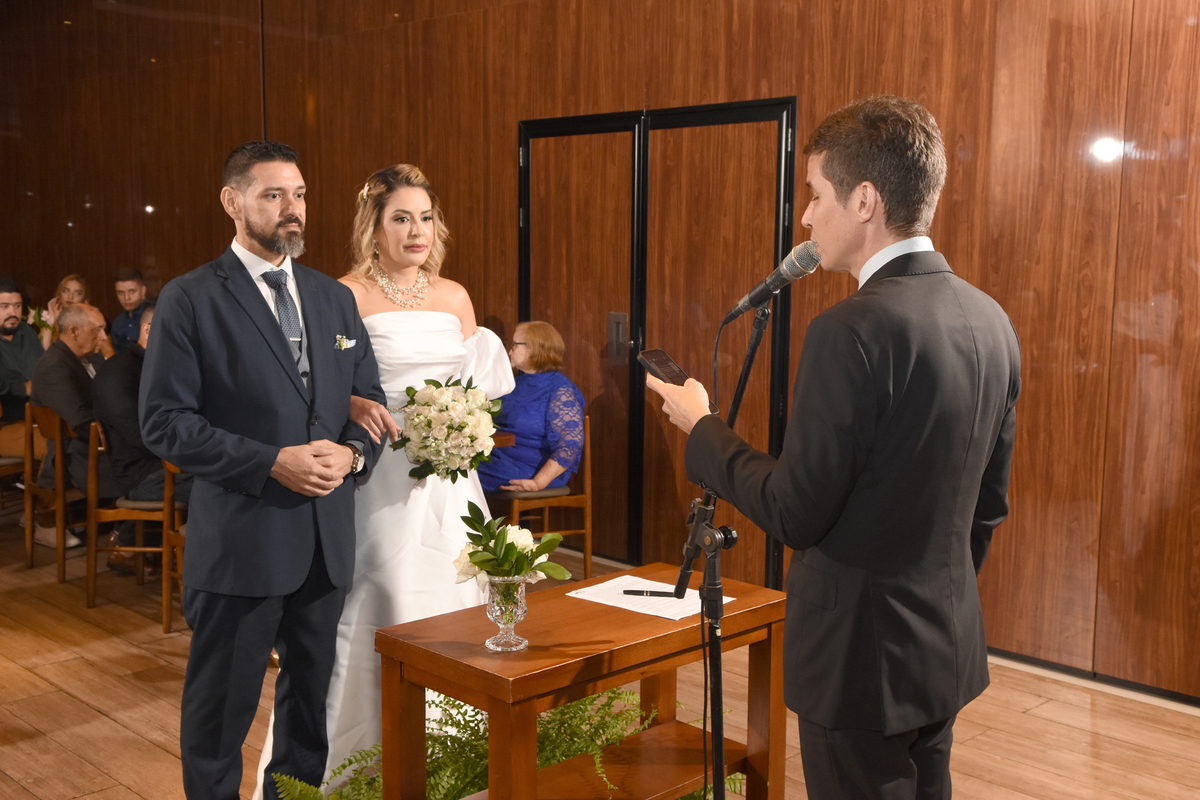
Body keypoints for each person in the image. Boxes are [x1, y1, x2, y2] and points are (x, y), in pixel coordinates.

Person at [646, 96, 1021, 799]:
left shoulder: (851, 331)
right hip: (942, 647)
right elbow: (987, 510)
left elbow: (796, 512)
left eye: (815, 194)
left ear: (866, 200)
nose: (808, 217)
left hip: (858, 662)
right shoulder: (991, 320)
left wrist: (703, 430)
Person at [251, 163, 514, 798]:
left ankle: (456, 768)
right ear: (375, 226)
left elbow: (478, 386)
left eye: (425, 217)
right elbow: (310, 383)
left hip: (450, 482)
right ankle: (354, 772)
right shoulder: (343, 294)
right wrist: (351, 408)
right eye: (401, 217)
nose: (417, 230)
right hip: (376, 475)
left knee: (457, 603)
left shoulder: (454, 296)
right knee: (382, 602)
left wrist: (464, 424)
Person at [139, 140, 386, 800]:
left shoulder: (333, 299)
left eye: (299, 194)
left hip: (324, 546)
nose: (292, 209)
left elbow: (370, 404)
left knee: (309, 717)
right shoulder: (191, 299)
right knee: (220, 718)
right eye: (274, 195)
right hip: (242, 545)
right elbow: (164, 423)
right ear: (233, 201)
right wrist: (268, 461)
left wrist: (355, 453)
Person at [93, 300, 194, 573]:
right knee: (222, 483)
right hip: (141, 475)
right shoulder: (119, 370)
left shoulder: (158, 365)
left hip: (164, 465)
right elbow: (140, 435)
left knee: (231, 472)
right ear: (148, 329)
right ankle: (203, 567)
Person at [29, 303, 116, 548]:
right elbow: (82, 422)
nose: (103, 337)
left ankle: (131, 534)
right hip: (75, 454)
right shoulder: (53, 366)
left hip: (94, 444)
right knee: (149, 465)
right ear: (74, 332)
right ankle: (132, 538)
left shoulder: (93, 358)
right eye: (97, 330)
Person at [477, 320, 584, 494]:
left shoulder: (561, 389)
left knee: (460, 472)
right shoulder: (513, 384)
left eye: (514, 345)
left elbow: (569, 444)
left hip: (533, 469)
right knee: (452, 463)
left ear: (534, 348)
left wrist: (538, 482)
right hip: (501, 458)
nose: (509, 351)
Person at [0, 277, 45, 437]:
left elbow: (44, 367)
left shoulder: (26, 331)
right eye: (4, 307)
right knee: (54, 445)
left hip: (40, 414)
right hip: (7, 421)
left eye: (17, 306)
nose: (13, 312)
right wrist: (23, 388)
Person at [109, 268, 149, 353]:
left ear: (143, 291)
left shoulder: (154, 315)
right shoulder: (117, 323)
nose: (126, 298)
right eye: (121, 292)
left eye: (131, 291)